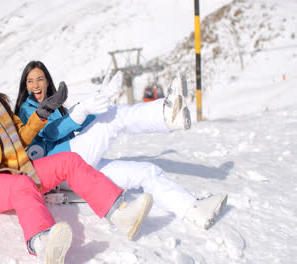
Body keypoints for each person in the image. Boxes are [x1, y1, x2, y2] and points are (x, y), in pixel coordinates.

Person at [0, 53, 154, 264]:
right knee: (21, 185)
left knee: (68, 160)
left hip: (19, 168)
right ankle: (42, 242)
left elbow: (22, 137)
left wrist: (42, 113)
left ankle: (119, 213)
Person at [14, 60, 228, 230]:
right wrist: (83, 110)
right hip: (62, 164)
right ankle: (166, 114)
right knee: (114, 119)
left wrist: (98, 102)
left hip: (76, 167)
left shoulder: (54, 106)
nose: (36, 85)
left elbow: (76, 125)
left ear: (47, 81)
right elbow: (51, 132)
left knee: (146, 171)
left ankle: (193, 209)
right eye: (31, 81)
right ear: (25, 85)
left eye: (40, 79)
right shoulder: (26, 109)